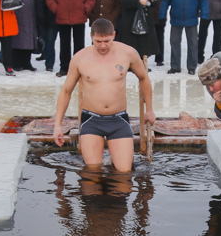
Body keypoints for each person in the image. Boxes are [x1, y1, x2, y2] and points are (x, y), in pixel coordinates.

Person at [52, 18, 155, 172]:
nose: (102, 45)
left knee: (124, 173)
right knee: (92, 173)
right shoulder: (80, 58)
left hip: (118, 119)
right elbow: (66, 91)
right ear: (91, 36)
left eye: (106, 41)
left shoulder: (127, 53)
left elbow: (143, 78)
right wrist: (57, 125)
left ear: (113, 35)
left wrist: (149, 109)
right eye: (98, 41)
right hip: (91, 119)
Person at [46, 0, 95, 77]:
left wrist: (85, 8)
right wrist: (56, 8)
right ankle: (64, 68)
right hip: (62, 16)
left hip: (79, 16)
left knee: (79, 44)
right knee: (64, 44)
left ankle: (79, 68)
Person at [159, 0, 208, 74]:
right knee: (175, 43)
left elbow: (204, 0)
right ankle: (175, 66)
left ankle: (191, 67)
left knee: (193, 44)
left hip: (192, 19)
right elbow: (165, 1)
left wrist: (205, 16)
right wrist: (162, 16)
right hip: (176, 19)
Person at [116, 0, 158, 66]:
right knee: (131, 44)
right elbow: (125, 3)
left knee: (144, 44)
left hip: (145, 19)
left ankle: (143, 63)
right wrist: (138, 2)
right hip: (131, 20)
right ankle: (131, 64)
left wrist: (153, 0)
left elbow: (150, 4)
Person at [6, 0, 37, 73]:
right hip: (17, 17)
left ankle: (27, 63)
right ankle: (16, 63)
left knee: (28, 41)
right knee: (17, 40)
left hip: (30, 17)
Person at [34, 0, 58, 71]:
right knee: (49, 41)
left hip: (60, 16)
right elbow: (38, 2)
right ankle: (49, 64)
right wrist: (41, 17)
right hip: (47, 17)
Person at [145, 0, 168, 66]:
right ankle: (146, 55)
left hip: (160, 12)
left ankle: (159, 58)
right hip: (148, 13)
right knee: (147, 36)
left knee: (159, 36)